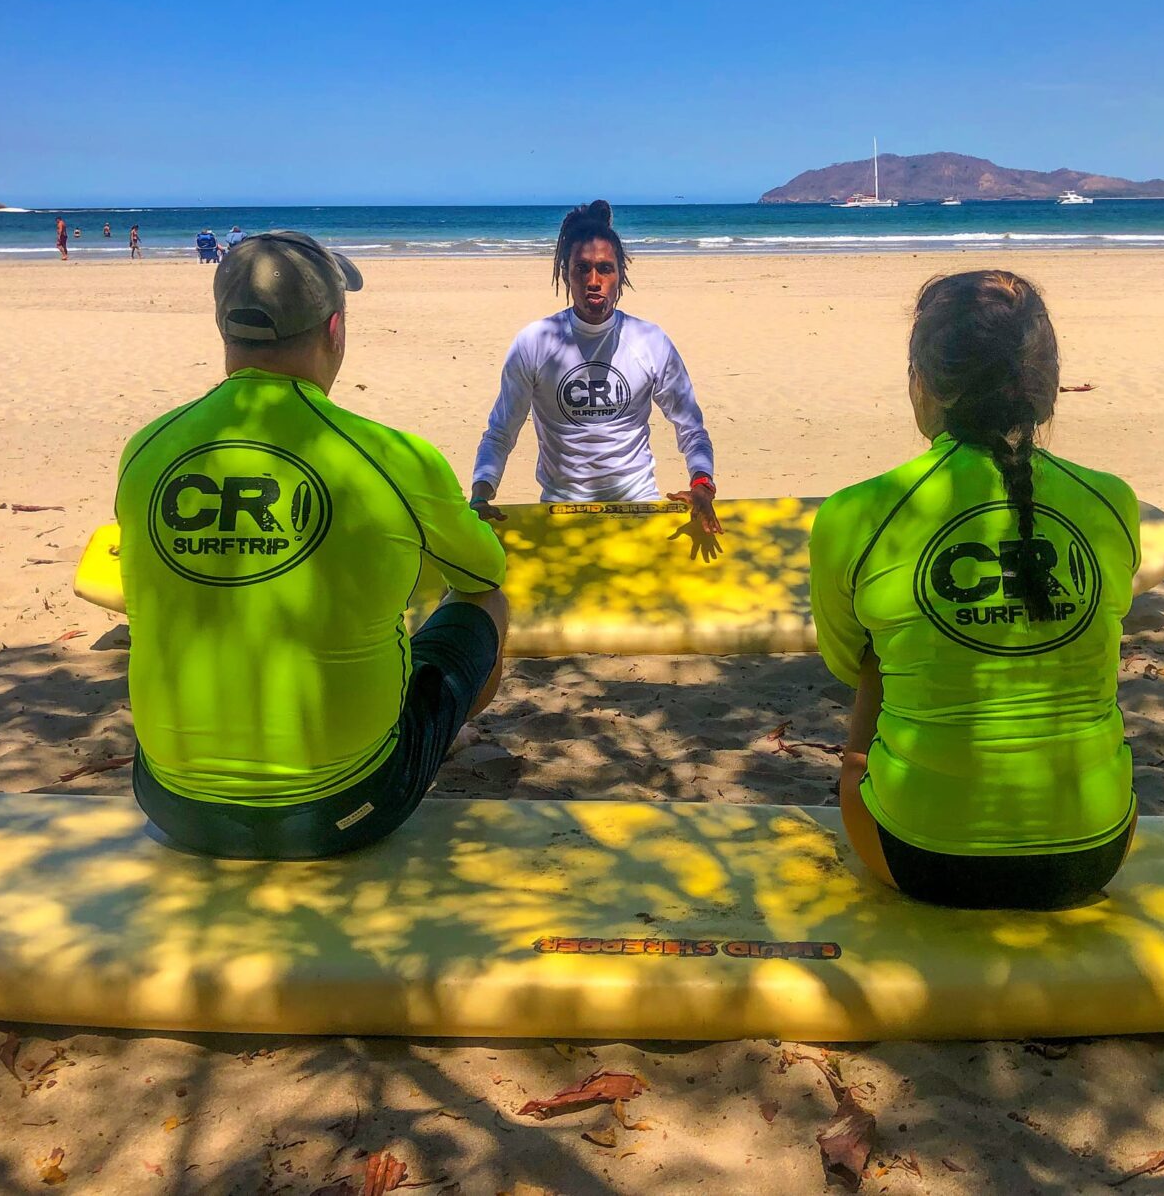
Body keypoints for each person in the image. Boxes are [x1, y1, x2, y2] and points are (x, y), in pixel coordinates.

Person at [114, 231, 509, 859]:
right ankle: (440, 738)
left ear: (224, 330)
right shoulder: (396, 457)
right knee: (485, 603)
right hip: (344, 809)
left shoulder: (145, 448)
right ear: (335, 329)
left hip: (171, 802)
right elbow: (484, 570)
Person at [810, 270, 1142, 910]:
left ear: (921, 383)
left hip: (917, 856)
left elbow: (846, 662)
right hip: (1095, 851)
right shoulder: (1113, 501)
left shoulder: (853, 512)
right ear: (1046, 386)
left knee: (882, 653)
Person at [471, 201, 718, 531]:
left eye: (605, 268)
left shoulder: (650, 341)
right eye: (582, 268)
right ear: (566, 274)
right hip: (561, 511)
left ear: (620, 275)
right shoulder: (535, 342)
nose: (593, 280)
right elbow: (501, 432)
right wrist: (480, 496)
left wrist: (702, 484)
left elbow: (690, 427)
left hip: (639, 505)